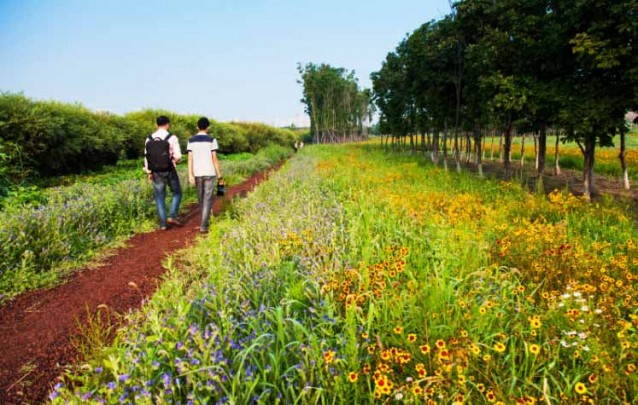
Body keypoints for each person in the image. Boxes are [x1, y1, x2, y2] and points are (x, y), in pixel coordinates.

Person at [144, 115, 183, 230]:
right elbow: (178, 156)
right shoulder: (172, 137)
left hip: (155, 171)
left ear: (156, 125)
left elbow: (147, 157)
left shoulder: (149, 138)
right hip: (169, 169)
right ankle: (172, 215)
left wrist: (149, 172)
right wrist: (175, 161)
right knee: (177, 193)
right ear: (168, 124)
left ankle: (163, 225)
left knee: (159, 197)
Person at [187, 117, 222, 233]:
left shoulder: (191, 140)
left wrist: (190, 174)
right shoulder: (212, 140)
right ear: (208, 127)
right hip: (210, 172)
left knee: (201, 199)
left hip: (197, 173)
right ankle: (203, 226)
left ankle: (203, 222)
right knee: (208, 199)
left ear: (197, 127)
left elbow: (190, 159)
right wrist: (220, 174)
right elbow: (214, 159)